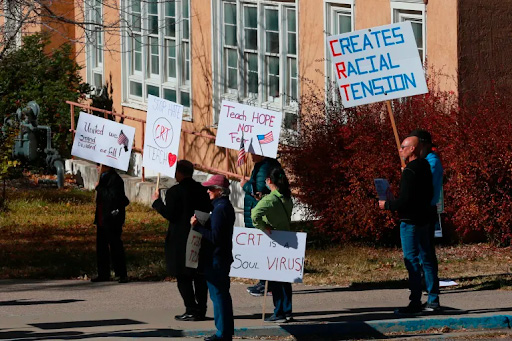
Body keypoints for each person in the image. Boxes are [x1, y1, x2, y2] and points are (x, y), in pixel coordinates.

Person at [378, 136, 439, 315]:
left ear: (412, 149)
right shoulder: (425, 166)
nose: (400, 150)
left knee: (411, 261)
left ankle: (415, 302)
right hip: (425, 219)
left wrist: (387, 205)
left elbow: (405, 200)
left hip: (410, 221)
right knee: (427, 259)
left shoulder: (410, 171)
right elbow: (425, 194)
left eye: (403, 147)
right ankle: (433, 300)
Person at [151, 160, 212, 321]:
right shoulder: (202, 190)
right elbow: (208, 208)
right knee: (199, 275)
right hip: (199, 235)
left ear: (179, 173)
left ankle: (191, 308)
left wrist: (157, 202)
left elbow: (171, 214)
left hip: (180, 238)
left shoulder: (175, 192)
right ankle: (201, 308)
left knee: (183, 276)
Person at [191, 174, 235, 341]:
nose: (207, 191)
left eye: (210, 188)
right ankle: (224, 331)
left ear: (219, 191)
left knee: (219, 296)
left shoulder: (220, 208)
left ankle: (223, 333)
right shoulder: (223, 206)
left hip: (216, 258)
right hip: (220, 257)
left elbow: (215, 237)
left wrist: (197, 227)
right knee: (220, 295)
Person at [251, 167, 294, 323]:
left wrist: (264, 226)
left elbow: (254, 215)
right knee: (286, 279)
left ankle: (279, 312)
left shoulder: (269, 199)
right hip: (288, 239)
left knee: (275, 280)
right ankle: (287, 311)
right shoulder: (287, 198)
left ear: (269, 181)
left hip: (274, 240)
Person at [409, 129, 442, 312]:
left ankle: (433, 298)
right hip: (418, 211)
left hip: (426, 211)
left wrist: (411, 172)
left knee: (427, 256)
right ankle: (421, 297)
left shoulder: (432, 162)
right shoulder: (423, 162)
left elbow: (424, 182)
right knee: (420, 256)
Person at [241, 153, 280, 296]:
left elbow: (258, 190)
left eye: (253, 152)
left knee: (262, 250)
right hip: (259, 212)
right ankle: (266, 283)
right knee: (262, 249)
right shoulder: (262, 165)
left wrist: (245, 186)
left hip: (258, 213)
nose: (250, 155)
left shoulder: (264, 167)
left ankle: (266, 284)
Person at [92, 164, 129, 283]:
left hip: (112, 218)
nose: (97, 167)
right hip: (102, 218)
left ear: (107, 166)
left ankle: (121, 273)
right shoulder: (102, 177)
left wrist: (100, 188)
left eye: (99, 165)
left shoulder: (115, 179)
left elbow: (113, 197)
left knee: (115, 246)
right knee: (101, 247)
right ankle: (103, 273)